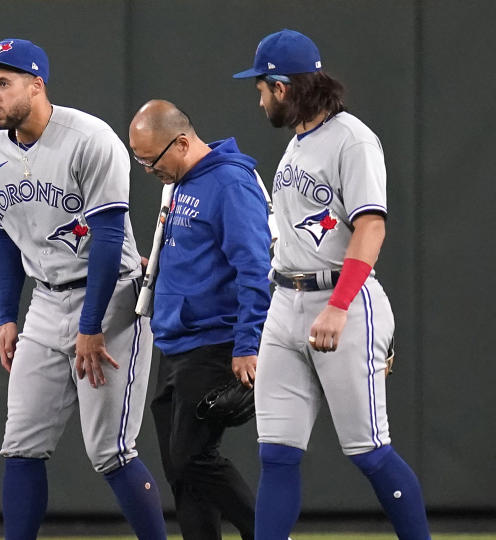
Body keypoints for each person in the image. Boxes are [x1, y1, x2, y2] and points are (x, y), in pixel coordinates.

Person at [233, 29, 431, 540]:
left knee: (369, 450)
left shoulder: (353, 140)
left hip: (342, 302)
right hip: (287, 302)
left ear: (281, 86)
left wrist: (340, 307)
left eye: (260, 88)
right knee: (276, 452)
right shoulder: (300, 143)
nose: (258, 99)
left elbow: (371, 226)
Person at [0, 38, 167, 540]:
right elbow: (2, 235)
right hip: (44, 300)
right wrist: (5, 315)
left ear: (37, 85)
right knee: (21, 444)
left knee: (110, 451)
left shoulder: (89, 139)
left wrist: (91, 326)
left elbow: (107, 238)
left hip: (111, 299)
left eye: (3, 83)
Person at [128, 100, 272, 540]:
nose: (150, 171)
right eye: (140, 162)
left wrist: (247, 344)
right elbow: (197, 256)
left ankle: (269, 533)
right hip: (174, 342)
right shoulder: (182, 183)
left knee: (193, 458)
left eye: (152, 161)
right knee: (182, 474)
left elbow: (254, 267)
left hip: (213, 341)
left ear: (183, 141)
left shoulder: (229, 182)